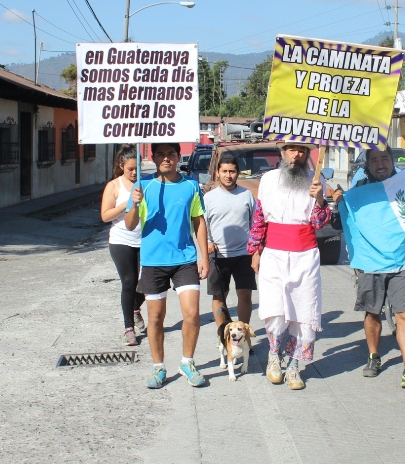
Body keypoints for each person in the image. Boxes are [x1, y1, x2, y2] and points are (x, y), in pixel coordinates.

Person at [333, 147, 405, 388]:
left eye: (384, 159)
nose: (379, 164)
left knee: (404, 314)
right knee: (373, 312)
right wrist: (337, 202)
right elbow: (343, 223)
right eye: (374, 160)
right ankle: (374, 356)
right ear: (367, 165)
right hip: (370, 262)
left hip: (402, 259)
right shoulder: (359, 190)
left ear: (391, 161)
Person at [124, 142, 210, 389]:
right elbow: (130, 225)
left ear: (177, 156)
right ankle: (158, 367)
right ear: (153, 157)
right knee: (156, 317)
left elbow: (198, 221)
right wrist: (135, 203)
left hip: (185, 259)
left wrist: (204, 256)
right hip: (153, 261)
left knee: (192, 314)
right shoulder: (143, 186)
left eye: (171, 154)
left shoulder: (190, 185)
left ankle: (187, 363)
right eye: (160, 154)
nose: (166, 158)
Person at [247, 142, 332, 390]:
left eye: (302, 150)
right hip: (273, 254)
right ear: (282, 152)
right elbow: (260, 217)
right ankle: (274, 357)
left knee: (303, 313)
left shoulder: (316, 180)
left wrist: (320, 200)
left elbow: (319, 222)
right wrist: (255, 251)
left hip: (305, 256)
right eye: (292, 150)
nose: (296, 155)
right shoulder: (268, 179)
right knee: (274, 311)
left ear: (307, 154)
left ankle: (294, 366)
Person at [203, 152, 257, 332]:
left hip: (243, 254)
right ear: (217, 173)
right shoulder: (209, 198)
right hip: (218, 255)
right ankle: (223, 335)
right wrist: (208, 243)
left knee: (244, 294)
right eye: (224, 171)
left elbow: (255, 223)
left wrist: (256, 249)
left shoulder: (247, 195)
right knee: (219, 296)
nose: (228, 175)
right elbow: (202, 225)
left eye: (232, 171)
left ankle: (242, 334)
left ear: (238, 173)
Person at [100, 145, 145, 346]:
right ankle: (129, 328)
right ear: (121, 167)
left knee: (148, 282)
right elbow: (105, 215)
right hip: (121, 240)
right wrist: (125, 205)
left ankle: (135, 307)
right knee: (129, 281)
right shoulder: (114, 186)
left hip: (145, 240)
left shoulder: (147, 183)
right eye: (130, 169)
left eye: (138, 168)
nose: (135, 173)